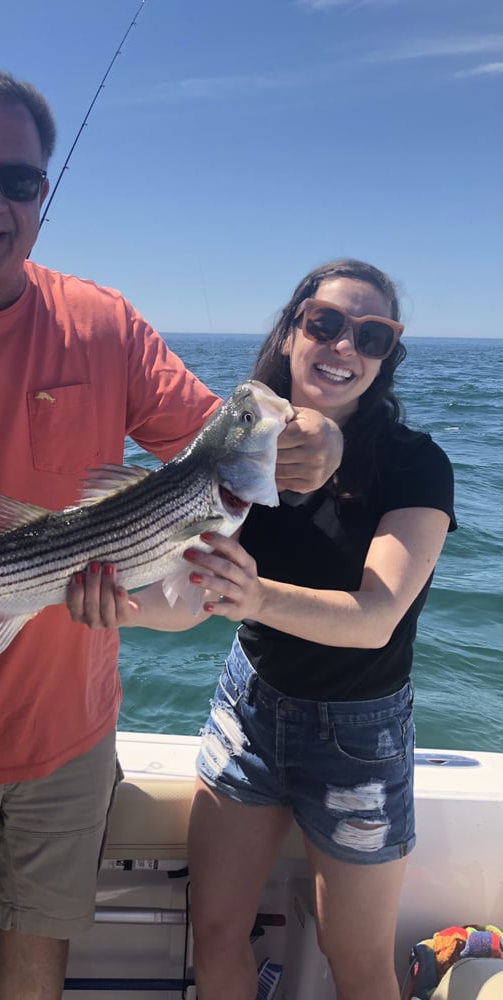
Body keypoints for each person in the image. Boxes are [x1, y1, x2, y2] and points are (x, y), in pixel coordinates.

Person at [0, 69, 343, 1000]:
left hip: (71, 734)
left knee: (41, 947)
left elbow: (208, 439)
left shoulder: (103, 323)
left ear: (42, 195)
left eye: (19, 182)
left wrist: (314, 438)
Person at [67, 259, 456, 1000]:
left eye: (371, 335)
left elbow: (376, 620)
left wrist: (254, 596)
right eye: (327, 323)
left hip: (359, 737)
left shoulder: (416, 465)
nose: (345, 346)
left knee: (359, 961)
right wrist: (113, 601)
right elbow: (187, 601)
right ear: (291, 331)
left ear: (386, 356)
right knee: (214, 930)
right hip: (250, 708)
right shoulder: (243, 454)